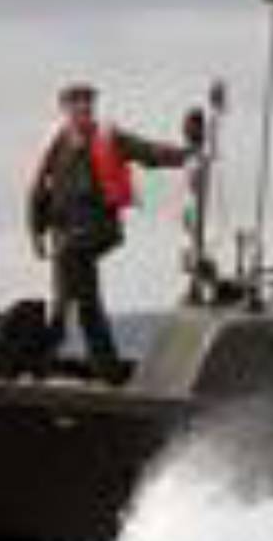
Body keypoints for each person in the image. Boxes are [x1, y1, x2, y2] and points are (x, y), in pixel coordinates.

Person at [27, 82, 196, 384]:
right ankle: (108, 372)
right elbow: (36, 192)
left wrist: (187, 155)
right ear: (64, 109)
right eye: (76, 103)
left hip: (94, 232)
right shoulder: (55, 144)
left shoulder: (109, 138)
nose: (83, 108)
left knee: (65, 301)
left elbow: (148, 152)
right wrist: (36, 235)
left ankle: (41, 366)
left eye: (87, 103)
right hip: (64, 235)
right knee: (86, 304)